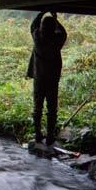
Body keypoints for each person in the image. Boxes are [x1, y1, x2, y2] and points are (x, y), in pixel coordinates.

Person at [26, 11, 67, 146]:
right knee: (52, 109)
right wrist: (55, 19)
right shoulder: (57, 41)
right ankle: (50, 137)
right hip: (52, 79)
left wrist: (42, 12)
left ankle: (38, 134)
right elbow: (64, 33)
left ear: (42, 27)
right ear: (53, 27)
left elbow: (33, 26)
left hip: (39, 78)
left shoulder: (38, 38)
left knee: (37, 107)